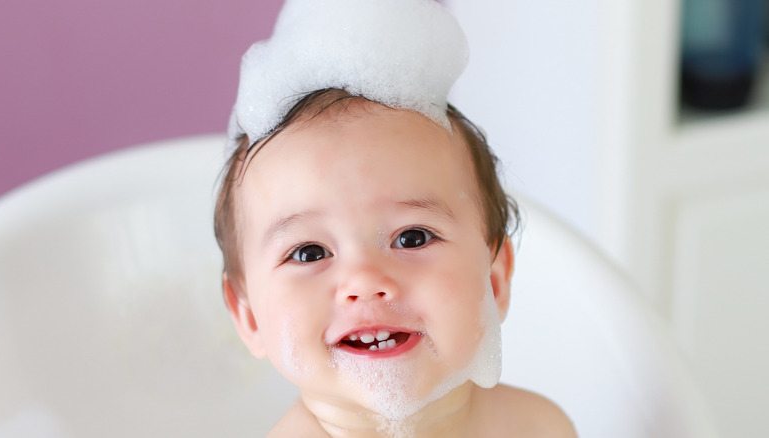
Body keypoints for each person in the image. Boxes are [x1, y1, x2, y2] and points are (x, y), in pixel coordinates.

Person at [214, 1, 577, 437]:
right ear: (250, 316)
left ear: (494, 281)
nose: (365, 280)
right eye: (309, 252)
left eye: (413, 238)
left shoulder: (538, 427)